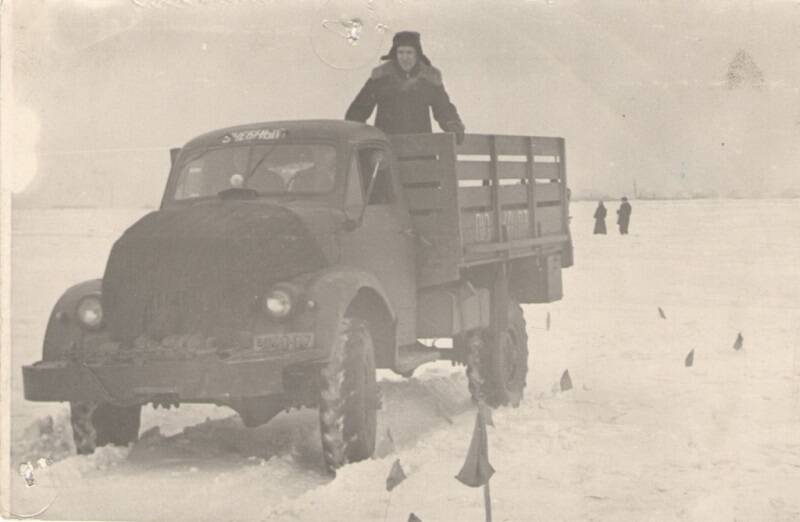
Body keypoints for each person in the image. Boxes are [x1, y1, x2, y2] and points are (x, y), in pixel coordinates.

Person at [345, 31, 465, 144]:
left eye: (409, 52)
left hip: (420, 147)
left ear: (417, 54)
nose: (404, 57)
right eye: (400, 52)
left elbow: (443, 108)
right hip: (388, 146)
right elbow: (360, 108)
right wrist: (352, 130)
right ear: (395, 54)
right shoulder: (381, 78)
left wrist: (453, 126)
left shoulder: (429, 80)